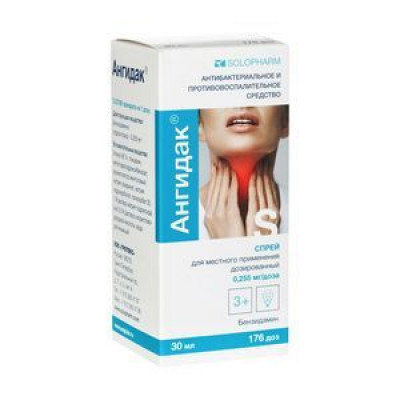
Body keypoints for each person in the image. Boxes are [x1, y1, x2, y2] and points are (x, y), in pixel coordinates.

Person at [199, 105, 289, 239]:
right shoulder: (171, 223)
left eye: (259, 94)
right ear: (199, 125)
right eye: (220, 94)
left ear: (286, 120)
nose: (242, 104)